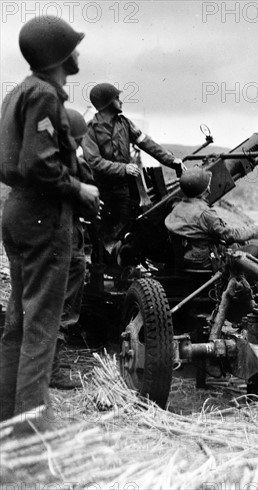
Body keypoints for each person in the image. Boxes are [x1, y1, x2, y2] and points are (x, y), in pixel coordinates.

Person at [0, 16, 99, 427]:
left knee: (18, 325)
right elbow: (38, 163)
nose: (78, 53)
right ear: (58, 55)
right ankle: (29, 441)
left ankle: (9, 424)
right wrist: (80, 191)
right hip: (44, 215)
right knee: (41, 329)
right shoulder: (44, 95)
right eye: (72, 47)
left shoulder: (17, 93)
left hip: (19, 212)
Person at [81, 82, 185, 254]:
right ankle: (100, 272)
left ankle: (122, 268)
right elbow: (94, 161)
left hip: (124, 190)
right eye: (117, 98)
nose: (121, 102)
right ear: (107, 102)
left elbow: (147, 144)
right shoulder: (90, 130)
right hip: (101, 192)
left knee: (126, 229)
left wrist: (172, 161)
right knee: (101, 235)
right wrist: (123, 168)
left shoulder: (125, 124)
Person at [50, 108, 96, 390]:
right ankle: (52, 372)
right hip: (65, 240)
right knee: (63, 307)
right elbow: (89, 208)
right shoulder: (73, 168)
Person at [165, 167, 258, 268]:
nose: (209, 187)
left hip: (187, 259)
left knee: (235, 246)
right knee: (257, 248)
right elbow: (230, 235)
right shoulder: (205, 213)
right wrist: (255, 227)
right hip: (206, 263)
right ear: (205, 190)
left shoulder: (177, 208)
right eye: (208, 185)